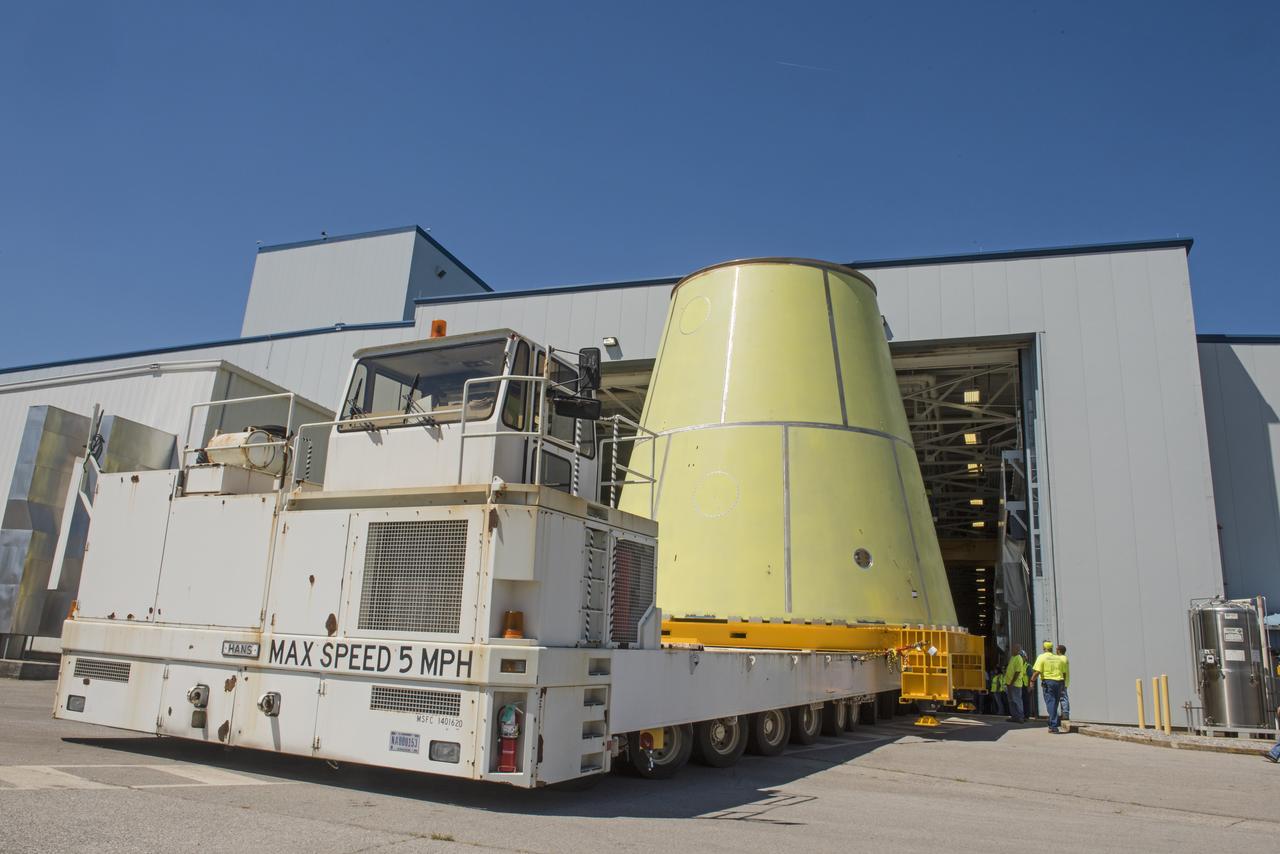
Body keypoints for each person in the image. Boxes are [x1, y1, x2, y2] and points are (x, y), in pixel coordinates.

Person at [1031, 643, 1069, 733]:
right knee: (1054, 703)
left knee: (1050, 703)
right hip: (1059, 682)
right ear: (1051, 649)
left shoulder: (1042, 657)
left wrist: (1032, 681)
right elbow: (1064, 672)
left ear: (1044, 648)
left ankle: (1053, 725)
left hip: (1049, 682)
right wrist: (1063, 684)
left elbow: (1037, 671)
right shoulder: (1058, 658)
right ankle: (1052, 722)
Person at [1005, 645, 1027, 723]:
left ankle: (1021, 717)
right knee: (1011, 701)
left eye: (1013, 649)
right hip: (1009, 684)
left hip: (1015, 684)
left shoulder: (1018, 658)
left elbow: (1017, 672)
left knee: (1017, 701)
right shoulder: (1012, 658)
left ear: (1018, 650)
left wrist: (1012, 682)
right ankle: (1014, 717)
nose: (1012, 650)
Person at [1056, 645, 1071, 720]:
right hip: (1063, 681)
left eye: (1056, 649)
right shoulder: (1064, 658)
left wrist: (1062, 682)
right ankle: (1064, 713)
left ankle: (1065, 714)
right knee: (1063, 697)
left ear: (1059, 650)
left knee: (1063, 697)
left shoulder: (1062, 659)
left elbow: (1064, 672)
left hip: (1062, 681)